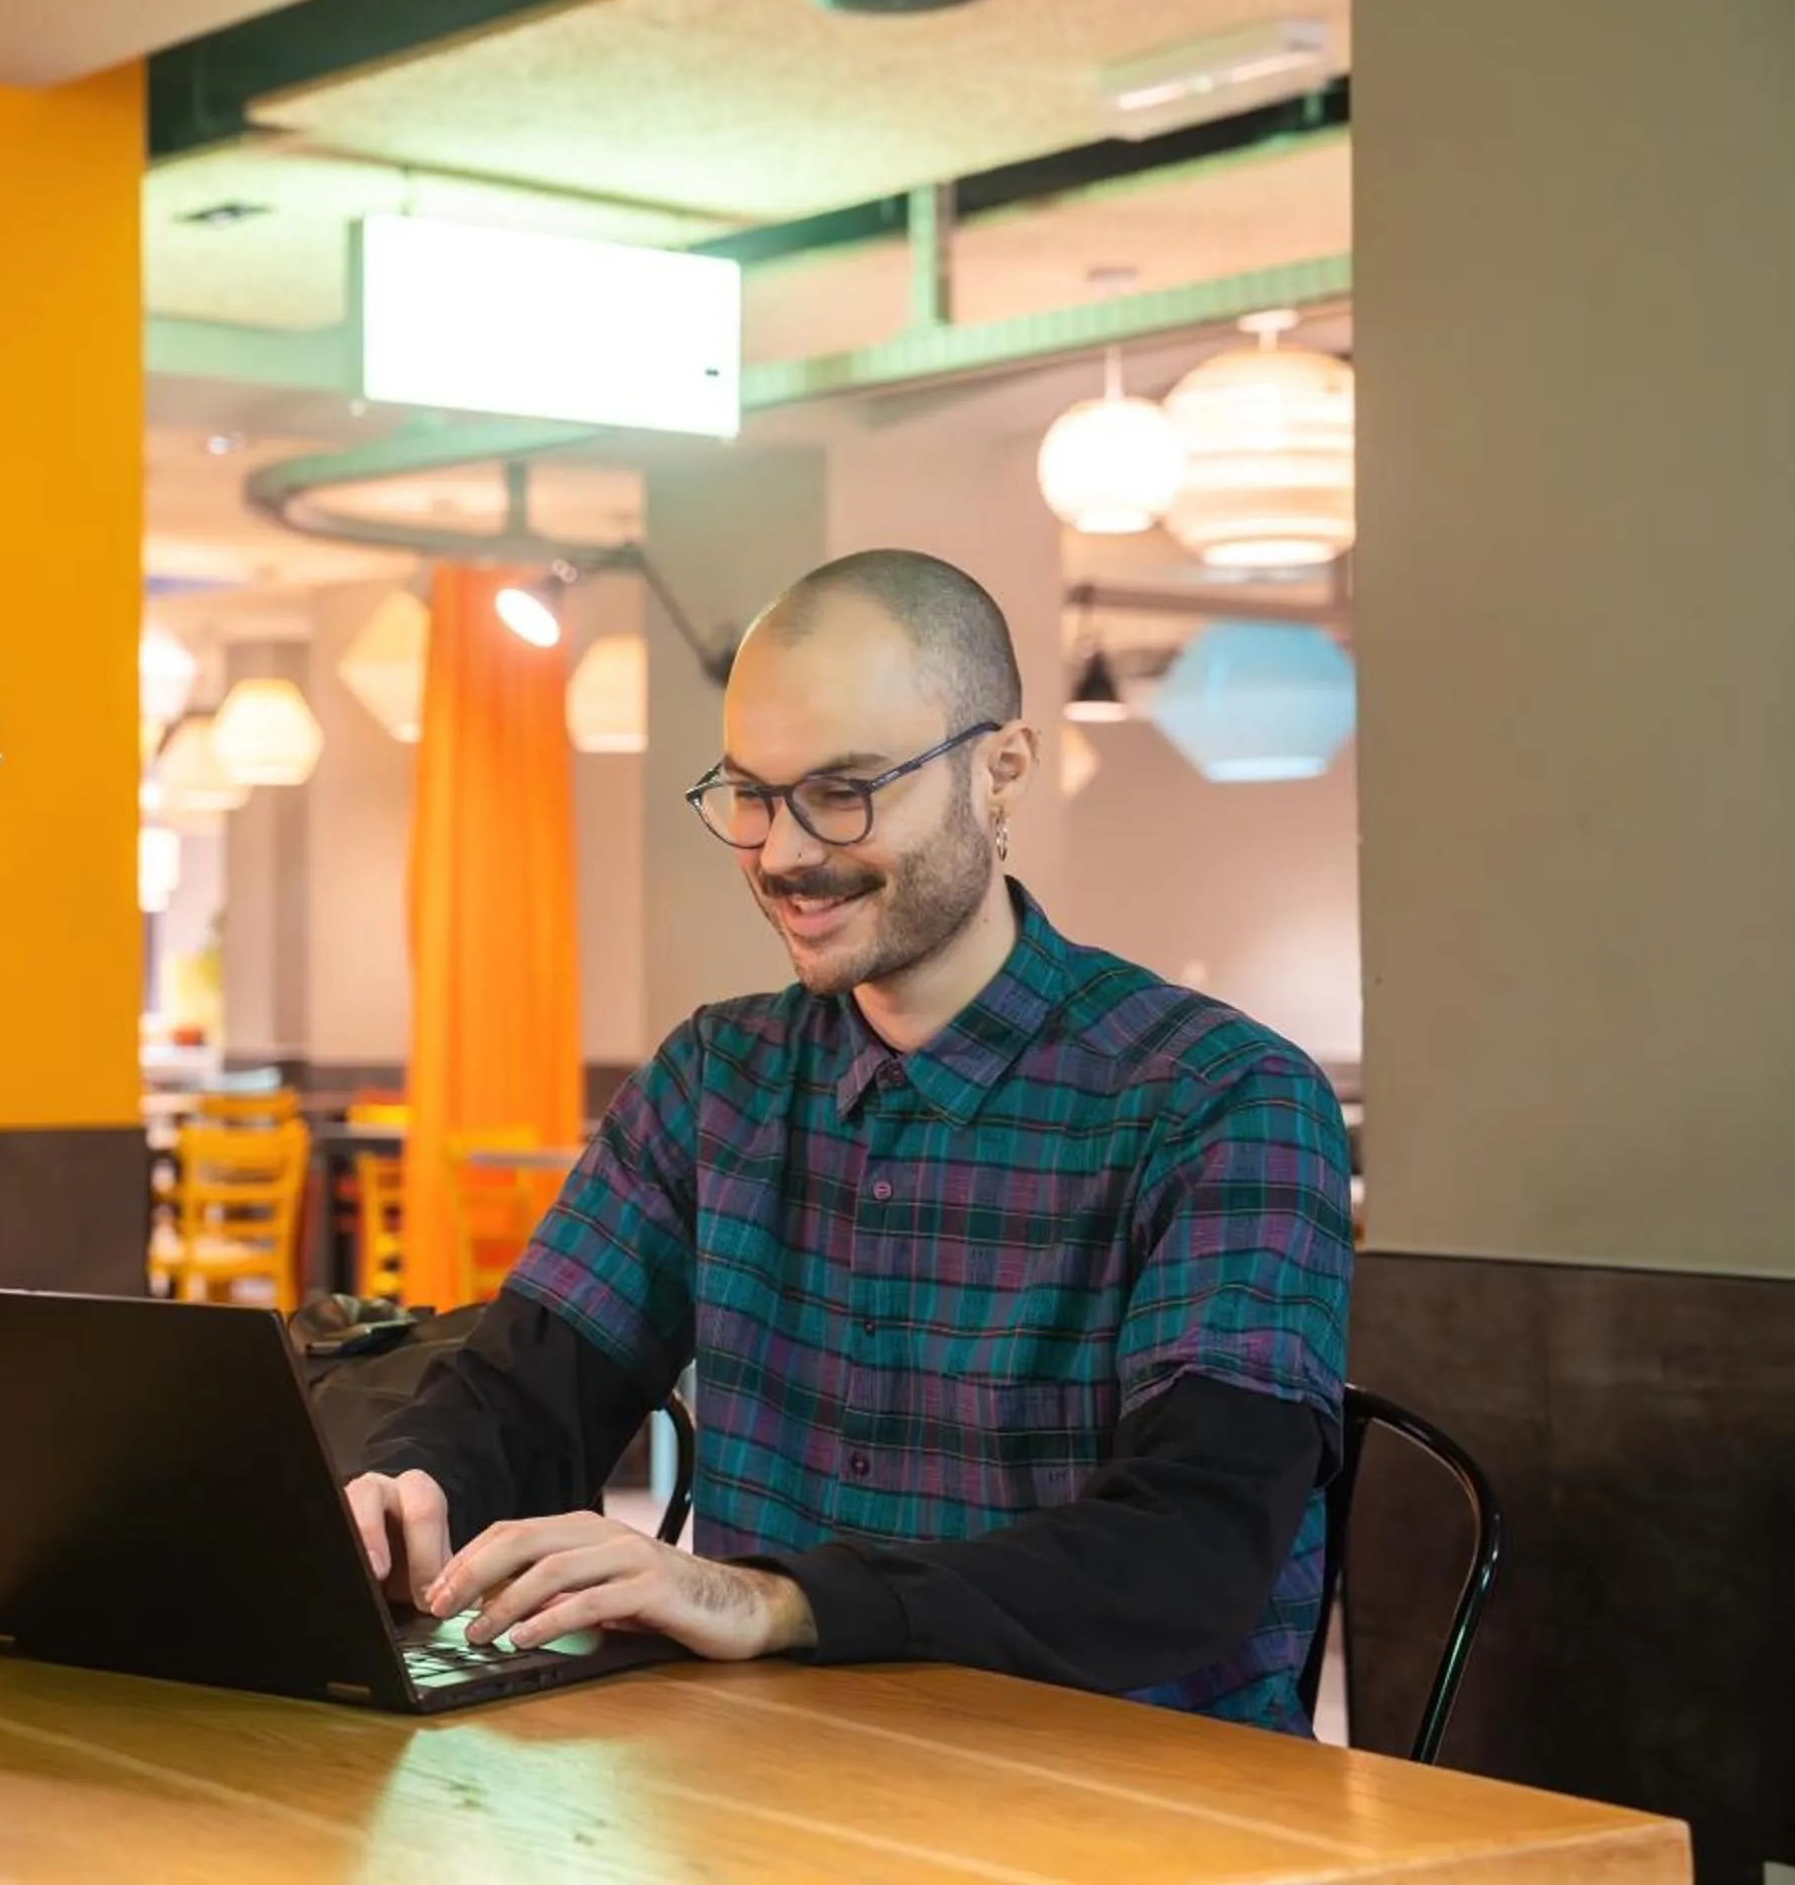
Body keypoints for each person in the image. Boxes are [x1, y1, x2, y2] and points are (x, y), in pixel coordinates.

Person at [346, 548, 1353, 1734]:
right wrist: (403, 1487)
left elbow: (1190, 1548)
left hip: (1134, 1790)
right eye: (751, 794)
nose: (780, 852)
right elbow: (525, 1395)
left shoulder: (1221, 1099)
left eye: (844, 789)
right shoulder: (716, 1076)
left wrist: (777, 1602)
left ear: (1001, 771)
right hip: (784, 1769)